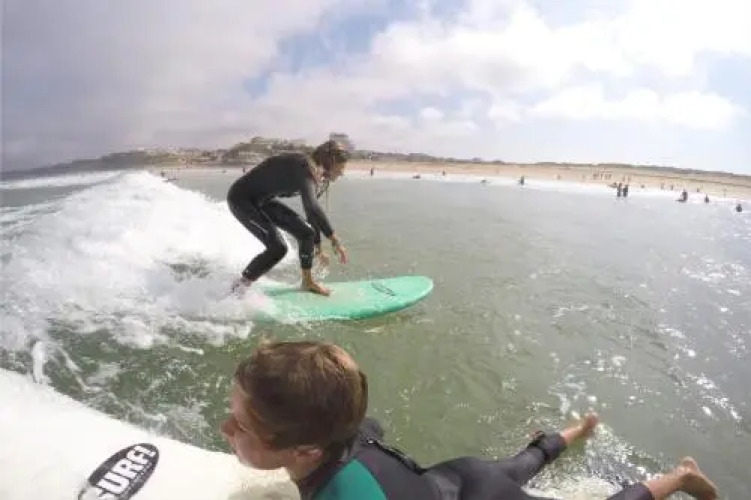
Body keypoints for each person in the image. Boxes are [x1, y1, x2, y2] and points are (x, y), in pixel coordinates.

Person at [221, 340, 719, 500]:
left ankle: (680, 476)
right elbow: (367, 421)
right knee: (523, 462)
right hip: (460, 476)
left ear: (307, 449)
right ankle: (581, 427)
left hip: (477, 495)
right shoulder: (341, 423)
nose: (226, 430)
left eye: (241, 425)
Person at [226, 141, 349, 296]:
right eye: (340, 168)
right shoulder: (303, 168)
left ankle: (307, 282)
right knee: (278, 248)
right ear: (330, 161)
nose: (341, 173)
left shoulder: (313, 172)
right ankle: (238, 288)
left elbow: (311, 213)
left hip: (263, 200)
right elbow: (312, 207)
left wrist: (318, 248)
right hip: (241, 200)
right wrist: (335, 240)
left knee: (307, 233)